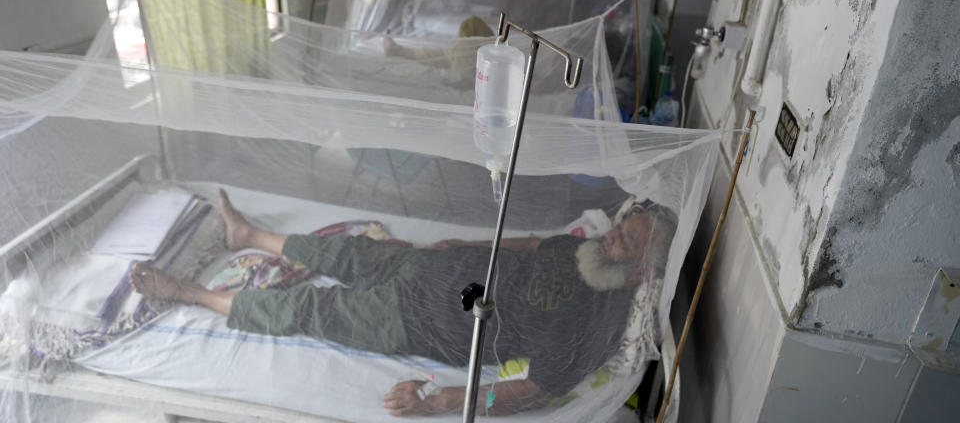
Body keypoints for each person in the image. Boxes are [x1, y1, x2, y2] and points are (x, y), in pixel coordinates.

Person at [131, 191, 676, 417]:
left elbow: (532, 391)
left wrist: (438, 402)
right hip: (425, 266)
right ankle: (247, 235)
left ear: (643, 273)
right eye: (619, 230)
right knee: (345, 251)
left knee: (309, 311)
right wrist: (465, 245)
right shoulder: (583, 250)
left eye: (625, 241)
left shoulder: (592, 324)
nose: (611, 238)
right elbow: (532, 245)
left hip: (414, 319)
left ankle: (192, 294)